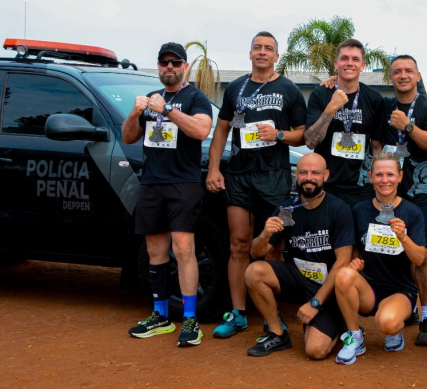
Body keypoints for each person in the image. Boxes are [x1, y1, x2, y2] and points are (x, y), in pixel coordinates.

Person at [205, 31, 307, 339]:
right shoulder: (236, 88)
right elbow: (221, 131)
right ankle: (238, 314)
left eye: (269, 49)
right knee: (238, 244)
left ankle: (269, 315)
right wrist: (214, 169)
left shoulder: (288, 89)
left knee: (273, 247)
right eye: (257, 48)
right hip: (238, 175)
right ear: (250, 53)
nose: (262, 52)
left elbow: (303, 134)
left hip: (273, 176)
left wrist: (277, 135)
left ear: (277, 56)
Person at [122, 42, 213, 347]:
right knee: (155, 251)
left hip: (182, 183)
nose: (169, 68)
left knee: (184, 248)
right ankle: (160, 316)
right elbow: (128, 136)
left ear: (185, 66)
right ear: (158, 66)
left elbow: (201, 130)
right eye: (164, 63)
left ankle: (190, 320)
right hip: (152, 183)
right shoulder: (150, 99)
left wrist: (169, 110)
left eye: (175, 63)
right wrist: (136, 113)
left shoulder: (194, 97)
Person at [243, 152, 354, 359]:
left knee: (315, 350)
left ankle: (341, 324)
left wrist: (316, 304)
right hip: (299, 279)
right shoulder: (286, 210)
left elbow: (343, 262)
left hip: (329, 289)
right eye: (303, 172)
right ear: (296, 175)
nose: (309, 177)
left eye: (315, 173)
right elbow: (255, 254)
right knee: (254, 272)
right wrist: (266, 234)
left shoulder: (339, 209)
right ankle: (277, 333)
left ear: (326, 176)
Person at [333, 153, 427, 364]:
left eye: (390, 174)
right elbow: (356, 247)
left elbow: (420, 259)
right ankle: (354, 336)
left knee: (386, 323)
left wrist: (403, 237)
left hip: (400, 289)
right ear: (370, 177)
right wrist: (355, 262)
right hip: (369, 288)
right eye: (379, 174)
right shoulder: (359, 210)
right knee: (344, 275)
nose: (385, 180)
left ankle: (394, 328)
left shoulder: (412, 212)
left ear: (401, 176)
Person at [379, 55, 427, 346]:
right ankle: (409, 306)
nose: (403, 75)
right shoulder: (384, 107)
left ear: (418, 75)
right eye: (397, 72)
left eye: (408, 71)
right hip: (392, 193)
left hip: (424, 194)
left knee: (423, 255)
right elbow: (378, 144)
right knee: (398, 249)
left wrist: (407, 126)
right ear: (391, 78)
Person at [305, 38, 385, 206]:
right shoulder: (320, 95)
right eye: (344, 58)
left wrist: (377, 181)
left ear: (362, 65)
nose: (350, 63)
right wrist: (331, 108)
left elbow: (377, 146)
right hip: (326, 185)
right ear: (336, 63)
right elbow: (311, 142)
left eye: (355, 59)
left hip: (362, 188)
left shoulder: (374, 99)